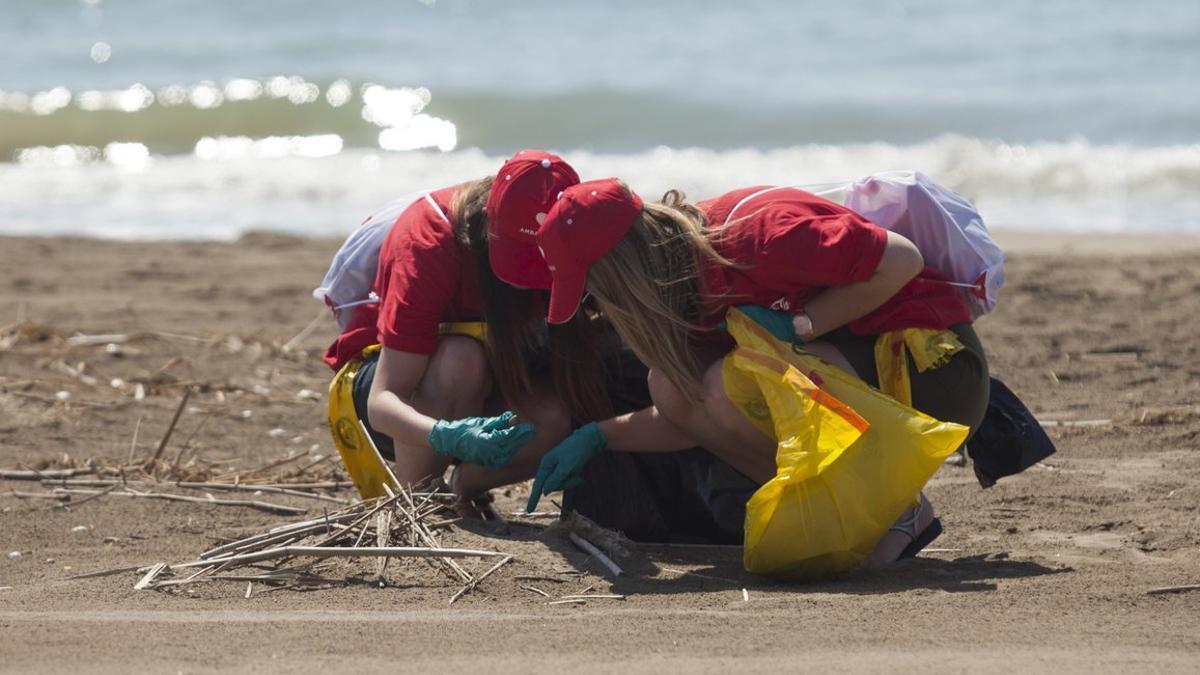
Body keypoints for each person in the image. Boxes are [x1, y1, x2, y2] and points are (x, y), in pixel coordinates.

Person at [510, 178, 990, 565]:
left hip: (937, 368)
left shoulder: (760, 237)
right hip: (860, 372)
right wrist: (597, 436)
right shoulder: (685, 283)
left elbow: (902, 259)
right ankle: (843, 511)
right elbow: (685, 417)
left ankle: (899, 512)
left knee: (729, 381)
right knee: (672, 385)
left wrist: (801, 325)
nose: (604, 312)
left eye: (596, 294)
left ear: (624, 271)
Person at [322, 150, 608, 501]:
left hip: (486, 388)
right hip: (395, 399)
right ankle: (416, 499)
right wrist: (445, 434)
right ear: (490, 224)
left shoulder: (578, 235)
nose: (526, 279)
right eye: (519, 259)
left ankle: (464, 488)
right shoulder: (431, 243)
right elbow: (384, 401)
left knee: (555, 416)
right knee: (460, 359)